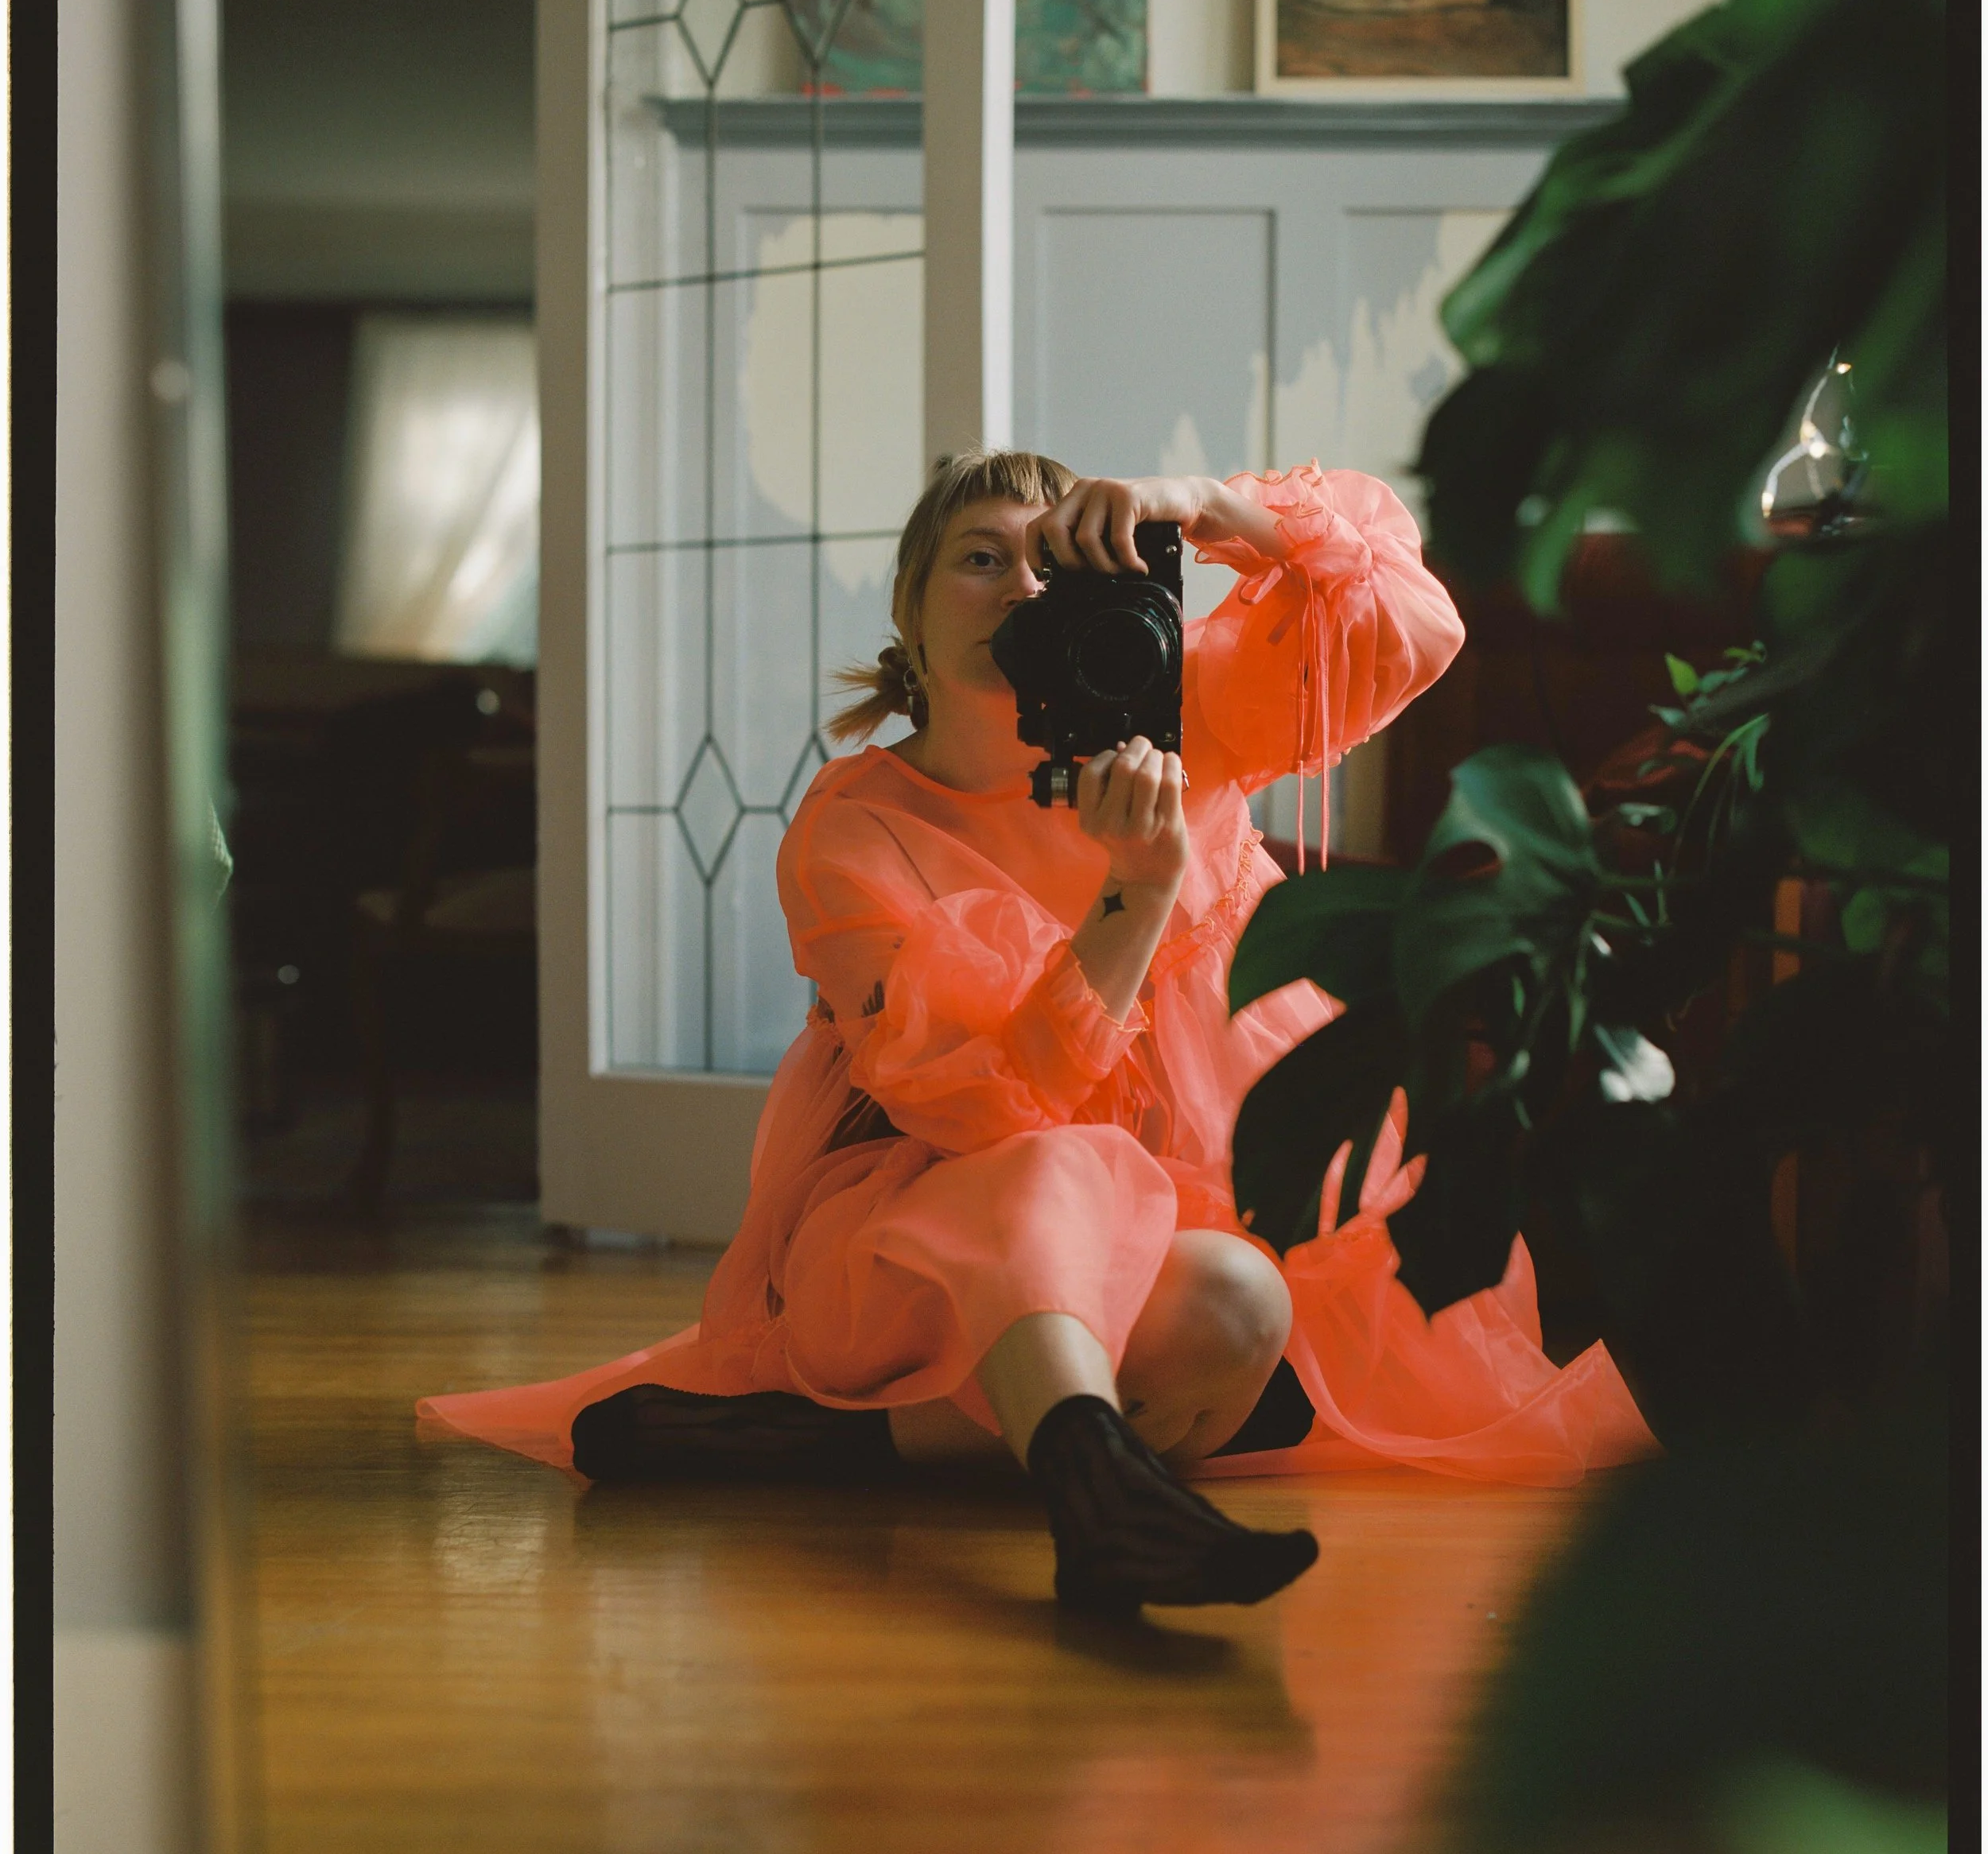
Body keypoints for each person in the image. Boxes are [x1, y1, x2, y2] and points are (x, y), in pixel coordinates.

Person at [418, 453, 1656, 1615]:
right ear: (909, 613)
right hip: (939, 1216)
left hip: (1194, 1193)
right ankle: (1094, 1492)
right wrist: (1137, 894)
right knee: (1070, 1171)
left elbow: (1413, 624)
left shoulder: (1191, 710)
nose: (1022, 587)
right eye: (981, 557)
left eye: (1054, 565)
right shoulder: (855, 831)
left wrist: (1200, 504)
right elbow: (988, 1115)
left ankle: (849, 1442)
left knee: (1238, 1303)